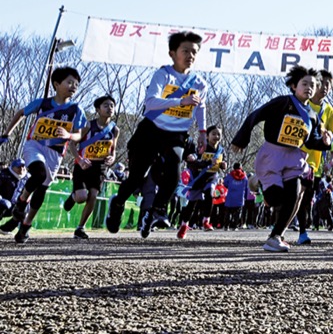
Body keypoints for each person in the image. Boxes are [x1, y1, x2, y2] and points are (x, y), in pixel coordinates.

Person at [107, 31, 209, 237]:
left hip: (176, 133)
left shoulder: (200, 83)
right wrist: (180, 101)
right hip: (151, 129)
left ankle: (156, 212)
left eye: (194, 52)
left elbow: (201, 106)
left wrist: (202, 132)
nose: (190, 55)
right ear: (173, 53)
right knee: (136, 178)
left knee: (173, 172)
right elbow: (150, 102)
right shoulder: (163, 75)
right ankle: (117, 203)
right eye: (185, 51)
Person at [230, 65, 332, 252]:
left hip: (294, 157)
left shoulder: (313, 115)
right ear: (294, 86)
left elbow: (312, 142)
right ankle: (259, 183)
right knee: (276, 198)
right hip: (273, 154)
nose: (309, 87)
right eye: (305, 83)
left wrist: (325, 142)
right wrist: (241, 139)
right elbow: (256, 115)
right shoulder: (282, 102)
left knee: (294, 194)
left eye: (313, 84)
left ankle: (275, 237)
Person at [0, 66, 88, 243]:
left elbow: (80, 134)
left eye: (76, 84)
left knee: (42, 189)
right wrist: (7, 133)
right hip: (35, 145)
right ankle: (21, 203)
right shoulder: (42, 103)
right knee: (38, 173)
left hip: (55, 153)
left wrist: (69, 136)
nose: (73, 86)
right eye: (69, 82)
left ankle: (25, 225)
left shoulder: (76, 110)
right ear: (56, 84)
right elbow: (20, 113)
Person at [63, 95, 121, 239]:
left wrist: (112, 158)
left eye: (112, 106)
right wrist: (79, 159)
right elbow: (72, 143)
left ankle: (80, 228)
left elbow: (113, 149)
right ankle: (74, 196)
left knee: (93, 196)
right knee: (82, 197)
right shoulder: (88, 126)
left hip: (99, 167)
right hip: (83, 166)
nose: (110, 108)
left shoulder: (115, 130)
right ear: (98, 109)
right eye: (106, 105)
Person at [298, 69, 333, 245]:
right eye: (322, 83)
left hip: (316, 164)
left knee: (306, 199)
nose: (325, 87)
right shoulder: (301, 104)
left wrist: (329, 140)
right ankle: (295, 230)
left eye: (328, 85)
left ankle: (303, 231)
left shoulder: (329, 111)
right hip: (296, 158)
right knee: (295, 194)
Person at [177, 125, 226, 239]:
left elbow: (224, 161)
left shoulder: (221, 149)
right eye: (213, 134)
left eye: (219, 134)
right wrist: (207, 162)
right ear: (207, 136)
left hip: (212, 177)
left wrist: (224, 164)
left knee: (210, 193)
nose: (216, 136)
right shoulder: (202, 148)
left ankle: (206, 221)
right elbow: (195, 162)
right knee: (192, 203)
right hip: (198, 178)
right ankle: (184, 225)